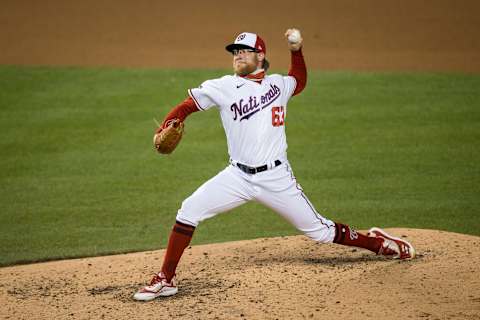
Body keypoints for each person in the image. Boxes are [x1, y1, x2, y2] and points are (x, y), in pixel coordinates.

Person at [133, 29, 415, 301]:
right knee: (189, 209)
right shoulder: (223, 87)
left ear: (260, 56)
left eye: (245, 51)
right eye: (235, 52)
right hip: (237, 176)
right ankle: (165, 279)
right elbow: (186, 106)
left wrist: (296, 50)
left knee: (320, 231)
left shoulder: (278, 85)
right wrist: (171, 123)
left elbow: (299, 81)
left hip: (276, 178)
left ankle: (377, 243)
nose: (238, 56)